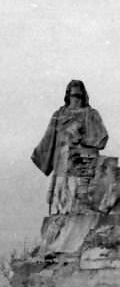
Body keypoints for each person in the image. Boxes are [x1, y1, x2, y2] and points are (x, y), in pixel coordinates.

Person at [32, 79, 109, 215]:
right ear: (68, 96)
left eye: (79, 96)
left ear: (83, 96)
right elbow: (48, 138)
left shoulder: (91, 114)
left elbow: (102, 138)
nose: (76, 99)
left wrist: (81, 139)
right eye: (73, 96)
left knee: (80, 201)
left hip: (84, 166)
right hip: (61, 166)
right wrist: (39, 154)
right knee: (61, 207)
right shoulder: (59, 115)